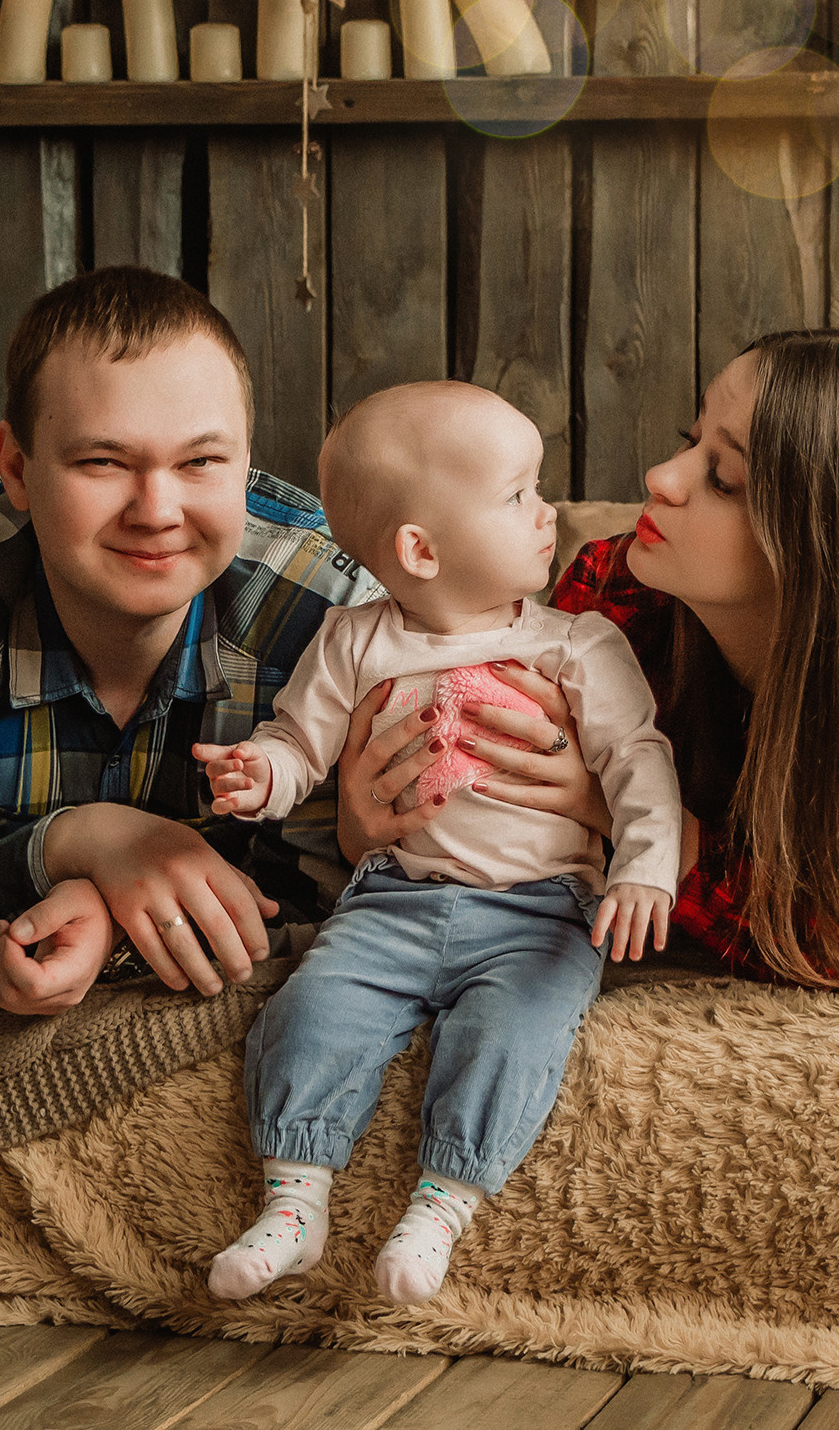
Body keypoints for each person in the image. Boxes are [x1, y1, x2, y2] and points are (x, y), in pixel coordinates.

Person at [0, 266, 588, 1013]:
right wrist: (81, 843)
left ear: (246, 464)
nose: (156, 510)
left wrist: (109, 917)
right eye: (102, 461)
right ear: (16, 465)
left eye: (201, 461)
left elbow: (339, 894)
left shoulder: (340, 614)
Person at [328, 328, 839, 989]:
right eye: (690, 438)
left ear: (824, 548)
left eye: (722, 477)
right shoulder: (612, 593)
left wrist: (617, 812)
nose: (661, 476)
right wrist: (364, 829)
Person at [192, 380, 680, 1305]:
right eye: (518, 495)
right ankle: (294, 1204)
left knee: (513, 1031)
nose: (549, 513)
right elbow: (302, 740)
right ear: (420, 549)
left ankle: (439, 1207)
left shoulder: (575, 646)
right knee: (308, 1011)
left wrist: (645, 868)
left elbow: (638, 761)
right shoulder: (354, 641)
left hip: (541, 912)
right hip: (392, 900)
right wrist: (263, 772)